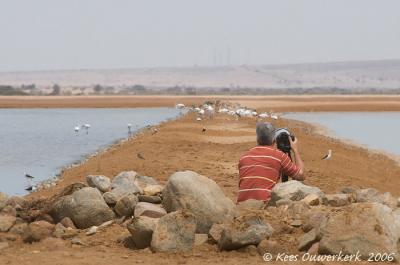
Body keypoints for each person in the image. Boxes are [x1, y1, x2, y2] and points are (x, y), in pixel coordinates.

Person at [237, 122, 305, 203]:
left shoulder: (244, 157)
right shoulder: (279, 156)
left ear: (257, 139)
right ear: (274, 139)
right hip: (264, 203)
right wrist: (295, 150)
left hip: (242, 204)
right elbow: (301, 176)